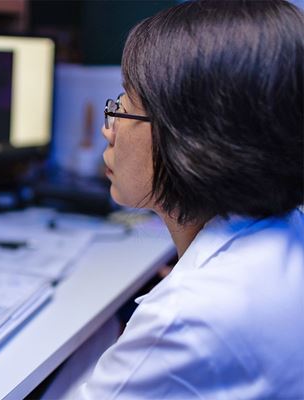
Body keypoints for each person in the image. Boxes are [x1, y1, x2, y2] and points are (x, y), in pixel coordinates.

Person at [43, 1, 304, 398]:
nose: (107, 129)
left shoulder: (187, 317)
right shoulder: (286, 230)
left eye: (123, 108)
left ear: (192, 140)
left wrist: (162, 322)